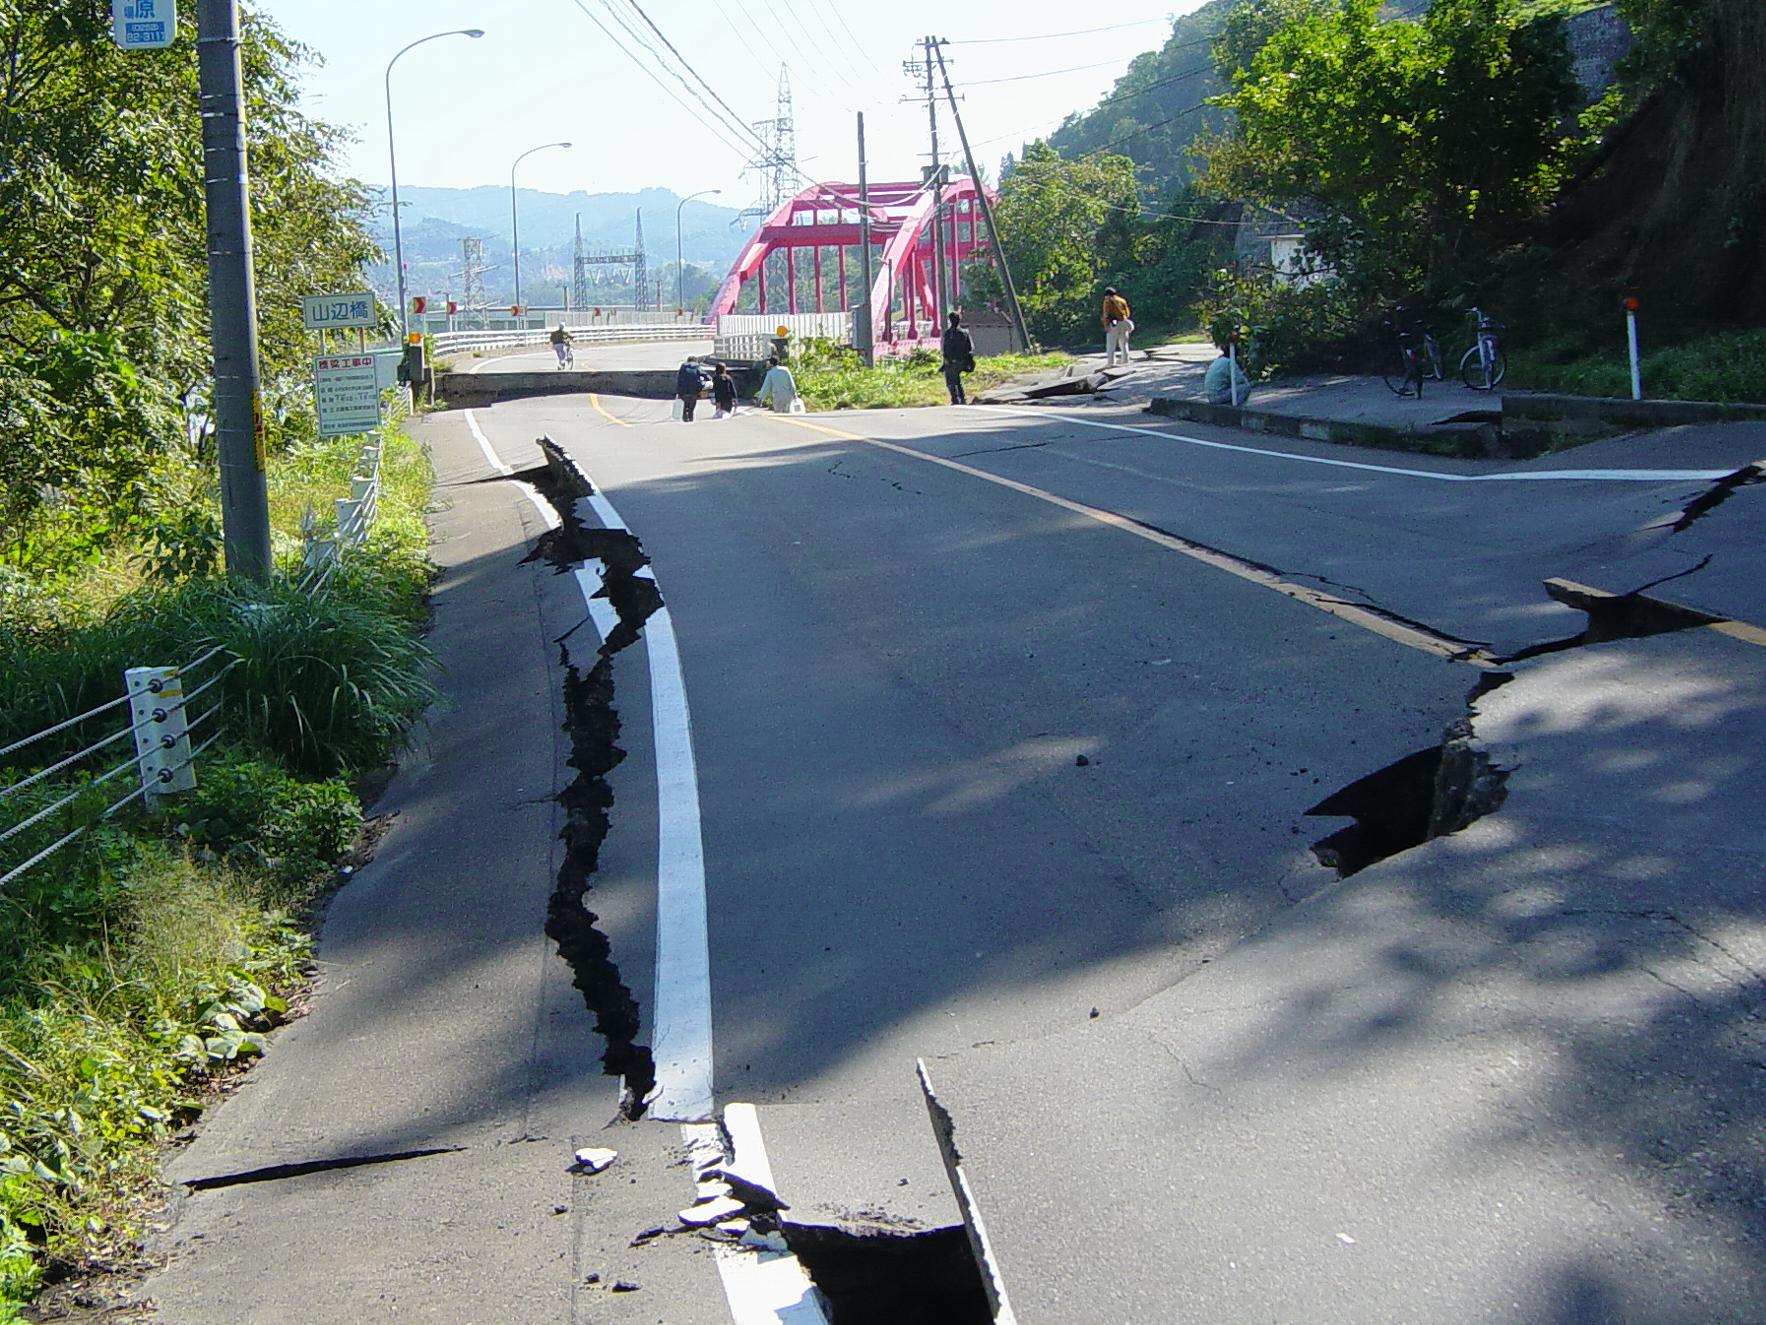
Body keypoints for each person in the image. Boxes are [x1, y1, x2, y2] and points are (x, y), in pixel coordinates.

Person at [940, 311, 976, 405]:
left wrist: (946, 361)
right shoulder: (965, 333)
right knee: (957, 380)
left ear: (950, 321)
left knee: (950, 381)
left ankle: (955, 399)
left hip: (951, 362)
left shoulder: (948, 333)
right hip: (963, 361)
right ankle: (962, 399)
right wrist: (970, 362)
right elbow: (970, 348)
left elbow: (945, 349)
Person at [1101, 287, 1133, 367]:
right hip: (1123, 323)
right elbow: (1127, 313)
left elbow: (1106, 315)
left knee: (1111, 345)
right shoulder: (1122, 300)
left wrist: (1106, 325)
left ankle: (1111, 363)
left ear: (1107, 295)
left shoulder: (1107, 301)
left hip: (1113, 325)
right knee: (1124, 344)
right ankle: (1125, 361)